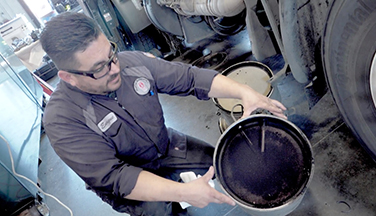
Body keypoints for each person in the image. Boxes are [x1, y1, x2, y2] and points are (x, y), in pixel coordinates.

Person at [40, 12, 287, 216]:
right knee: (161, 210)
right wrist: (183, 193)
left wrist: (244, 92)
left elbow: (190, 78)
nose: (115, 69)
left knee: (224, 163)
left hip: (166, 146)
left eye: (111, 55)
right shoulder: (62, 120)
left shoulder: (131, 63)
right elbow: (115, 176)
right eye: (99, 69)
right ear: (68, 77)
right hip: (128, 176)